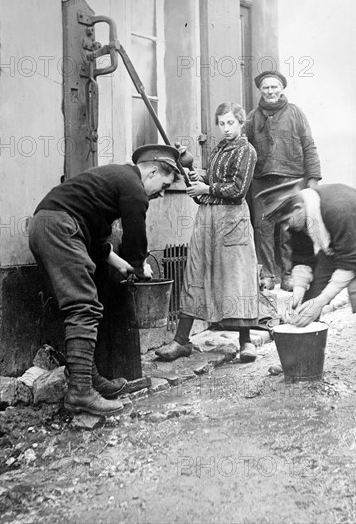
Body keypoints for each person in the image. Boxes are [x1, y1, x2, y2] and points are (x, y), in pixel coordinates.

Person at [29, 145, 180, 416]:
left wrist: (120, 264)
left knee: (83, 305)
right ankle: (80, 393)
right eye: (164, 185)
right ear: (153, 171)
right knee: (83, 307)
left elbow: (95, 237)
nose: (162, 193)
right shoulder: (134, 186)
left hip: (47, 225)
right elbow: (136, 232)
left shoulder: (114, 179)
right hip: (61, 228)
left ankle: (87, 378)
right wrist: (138, 264)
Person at [256, 179, 356, 391]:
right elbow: (303, 259)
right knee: (312, 290)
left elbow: (350, 262)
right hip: (345, 240)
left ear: (298, 208)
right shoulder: (300, 217)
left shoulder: (335, 209)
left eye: (285, 221)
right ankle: (298, 361)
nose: (284, 227)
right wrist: (299, 294)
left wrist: (322, 301)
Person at [155, 102, 259, 363]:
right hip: (207, 218)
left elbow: (237, 191)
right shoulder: (217, 151)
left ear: (240, 123)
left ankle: (246, 341)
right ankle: (181, 340)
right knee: (195, 271)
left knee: (236, 277)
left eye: (230, 123)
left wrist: (206, 189)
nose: (225, 128)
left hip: (232, 220)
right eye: (221, 123)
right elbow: (206, 189)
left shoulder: (247, 151)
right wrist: (191, 176)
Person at [245, 70, 322, 291]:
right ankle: (268, 275)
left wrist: (313, 179)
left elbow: (309, 145)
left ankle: (288, 275)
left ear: (282, 89)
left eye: (274, 87)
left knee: (289, 228)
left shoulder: (296, 113)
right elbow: (242, 147)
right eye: (266, 88)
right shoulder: (252, 117)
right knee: (263, 227)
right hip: (261, 181)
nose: (270, 91)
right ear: (260, 90)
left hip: (291, 179)